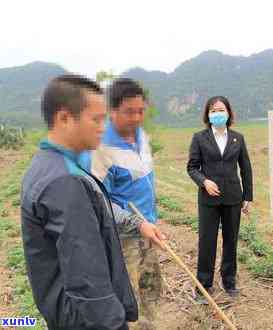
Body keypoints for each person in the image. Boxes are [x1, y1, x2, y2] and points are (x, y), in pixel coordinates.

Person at [21, 74, 163, 330]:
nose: (102, 127)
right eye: (96, 119)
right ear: (64, 118)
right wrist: (114, 324)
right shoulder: (65, 183)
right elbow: (88, 283)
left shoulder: (48, 165)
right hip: (82, 319)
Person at [79, 78, 163, 329]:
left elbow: (146, 182)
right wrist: (137, 223)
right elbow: (98, 201)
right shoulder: (99, 149)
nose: (137, 117)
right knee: (128, 298)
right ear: (112, 111)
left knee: (152, 288)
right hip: (122, 238)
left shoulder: (142, 137)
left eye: (141, 111)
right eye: (129, 112)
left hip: (149, 230)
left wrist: (150, 221)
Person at [187, 96, 253, 302]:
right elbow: (192, 167)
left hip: (233, 197)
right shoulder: (199, 138)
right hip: (208, 199)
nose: (217, 114)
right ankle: (204, 286)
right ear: (208, 115)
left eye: (221, 110)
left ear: (228, 113)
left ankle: (229, 281)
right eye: (213, 111)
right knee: (207, 241)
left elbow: (246, 168)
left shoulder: (238, 138)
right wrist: (204, 181)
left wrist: (247, 196)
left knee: (231, 240)